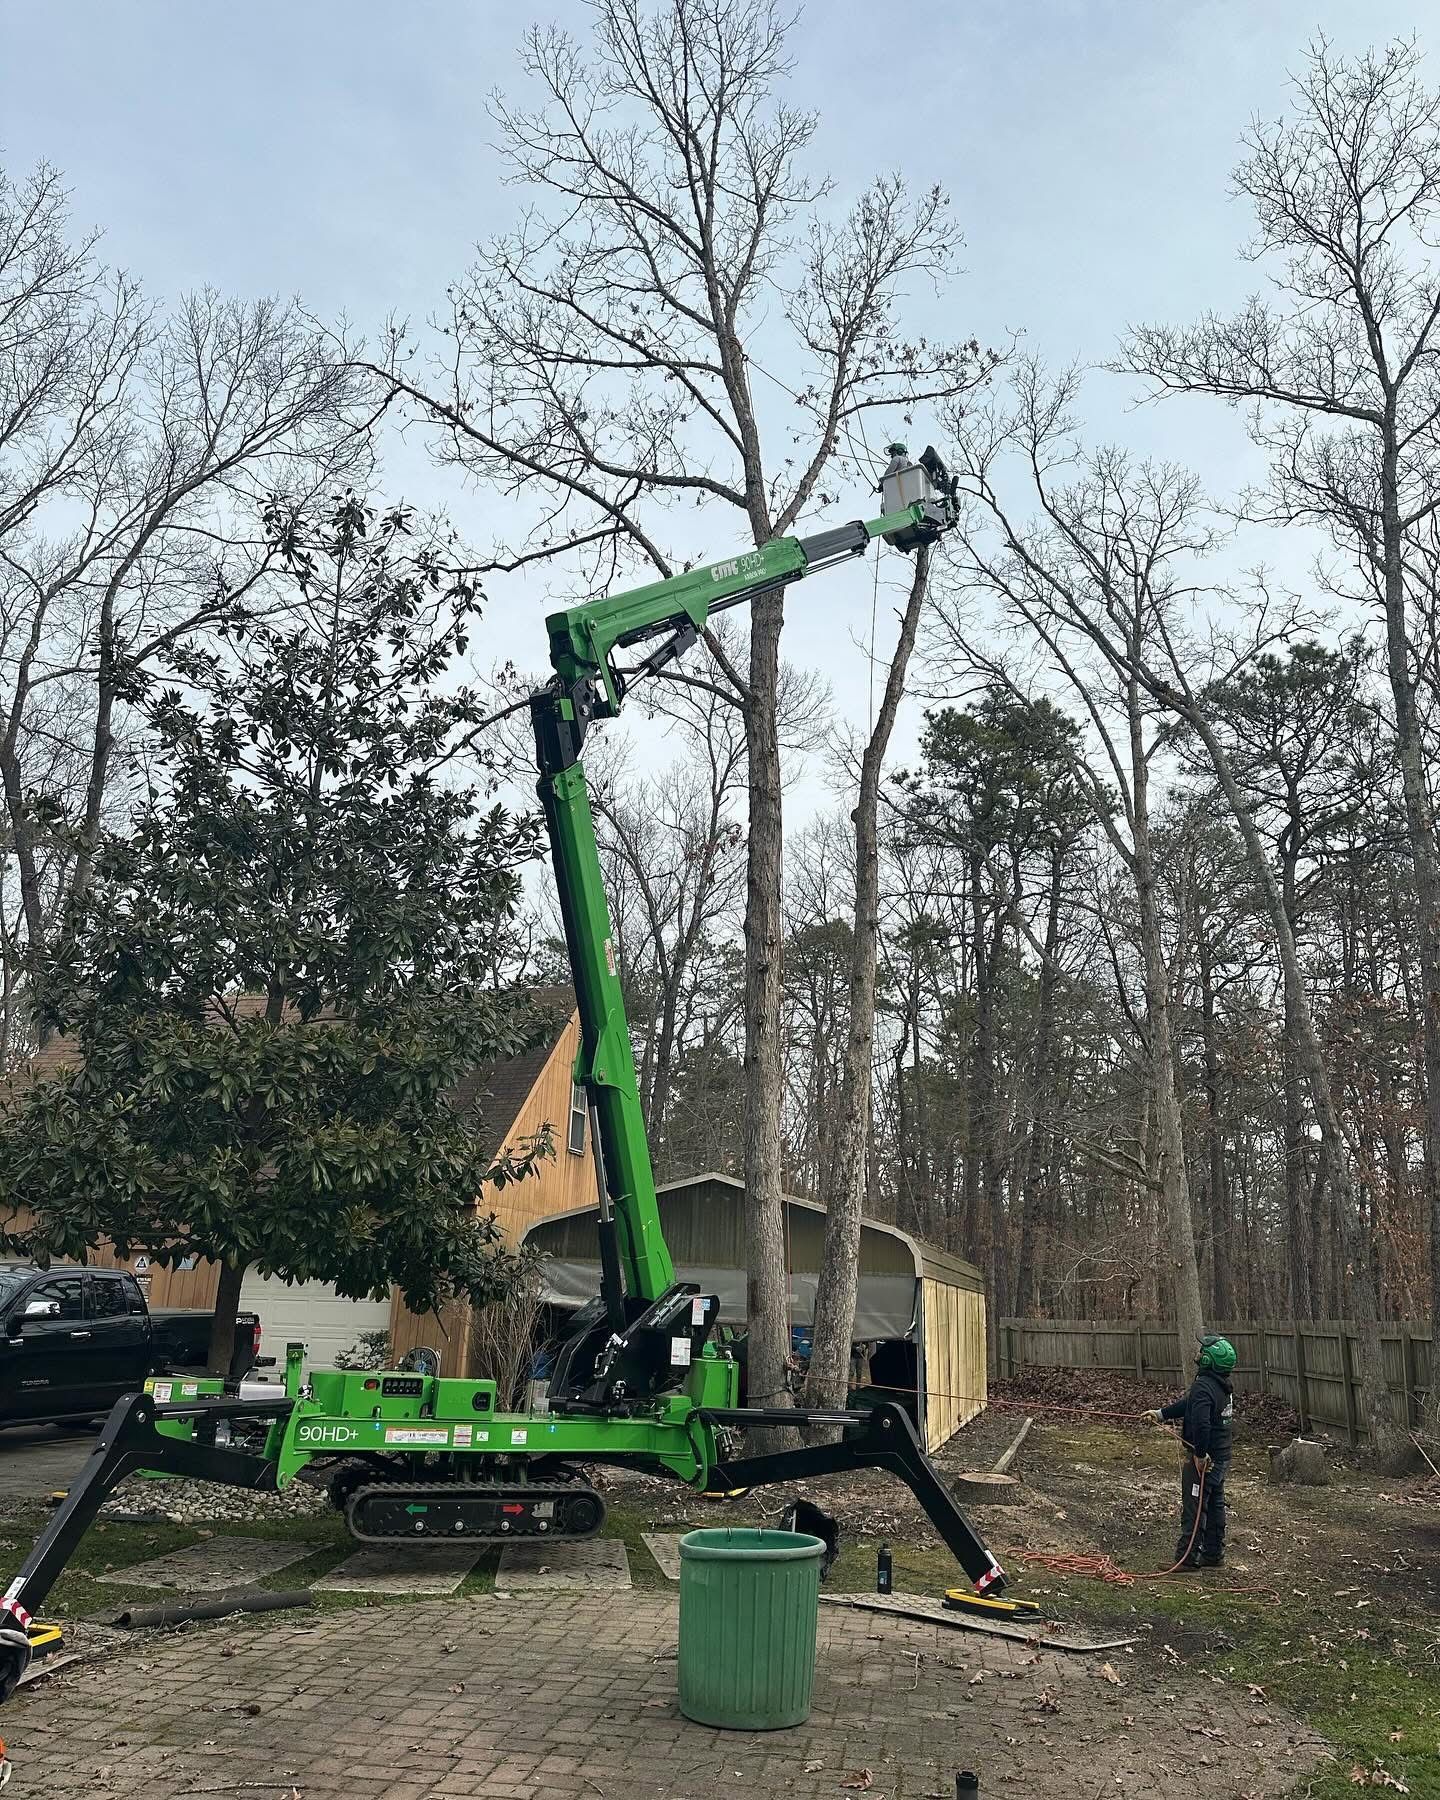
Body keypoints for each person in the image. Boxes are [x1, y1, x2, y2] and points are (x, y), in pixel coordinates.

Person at [1146, 1335, 1236, 1568]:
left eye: (1202, 1351)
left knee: (1194, 1506)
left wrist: (1199, 1454)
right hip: (1221, 1456)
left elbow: (1202, 1423)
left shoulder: (1204, 1386)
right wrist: (1161, 1414)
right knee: (1215, 1503)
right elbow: (1190, 1405)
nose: (1198, 1353)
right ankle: (1213, 1553)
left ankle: (1187, 1558)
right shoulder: (1219, 1384)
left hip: (1206, 1458)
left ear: (1210, 1360)